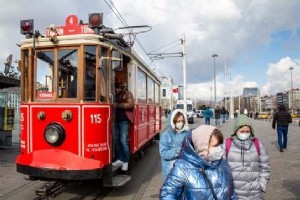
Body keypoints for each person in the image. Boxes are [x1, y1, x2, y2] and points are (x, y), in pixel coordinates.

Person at [160, 125, 236, 200]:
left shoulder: (224, 164)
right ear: (202, 146)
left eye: (220, 144)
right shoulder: (182, 167)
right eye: (215, 145)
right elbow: (167, 194)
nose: (219, 148)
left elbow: (231, 194)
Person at [224, 114, 270, 199]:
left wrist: (262, 184)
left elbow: (265, 166)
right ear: (236, 130)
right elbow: (221, 168)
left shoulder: (257, 143)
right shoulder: (227, 144)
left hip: (255, 193)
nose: (245, 133)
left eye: (247, 131)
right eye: (242, 131)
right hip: (235, 194)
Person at [159, 109, 189, 181]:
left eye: (182, 121)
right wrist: (179, 151)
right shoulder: (165, 136)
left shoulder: (186, 134)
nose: (180, 123)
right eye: (178, 121)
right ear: (173, 121)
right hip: (171, 174)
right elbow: (163, 154)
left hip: (184, 172)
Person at [112, 82, 134, 172]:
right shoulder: (116, 95)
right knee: (116, 141)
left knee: (123, 141)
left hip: (124, 121)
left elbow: (131, 104)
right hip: (116, 121)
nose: (117, 89)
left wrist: (118, 105)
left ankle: (125, 161)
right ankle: (119, 159)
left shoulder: (128, 94)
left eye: (118, 88)